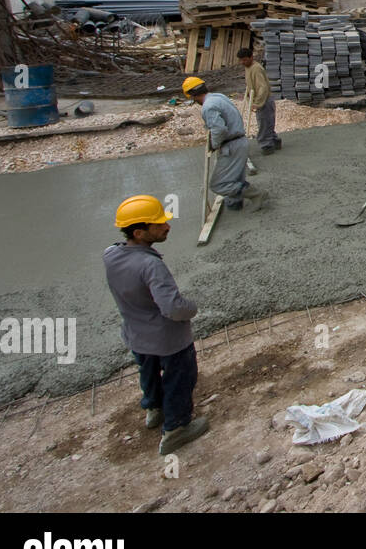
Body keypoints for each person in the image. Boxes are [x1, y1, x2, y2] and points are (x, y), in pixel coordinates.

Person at [104, 195, 209, 455]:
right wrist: (191, 308)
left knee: (148, 373)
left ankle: (154, 409)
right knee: (179, 379)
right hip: (168, 340)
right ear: (139, 232)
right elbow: (173, 308)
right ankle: (176, 428)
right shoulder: (151, 265)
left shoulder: (111, 255)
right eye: (159, 224)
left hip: (136, 335)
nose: (167, 227)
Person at [183, 77, 266, 212]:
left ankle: (256, 194)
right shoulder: (219, 97)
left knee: (218, 185)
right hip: (239, 141)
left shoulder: (208, 107)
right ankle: (235, 202)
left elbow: (219, 129)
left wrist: (214, 144)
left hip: (231, 146)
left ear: (192, 96)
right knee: (235, 177)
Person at [238, 47, 280, 154]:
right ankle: (274, 141)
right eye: (241, 60)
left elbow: (263, 87)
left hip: (264, 100)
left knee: (264, 123)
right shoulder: (248, 67)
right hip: (259, 98)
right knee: (267, 122)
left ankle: (266, 145)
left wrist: (257, 103)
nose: (242, 62)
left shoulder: (256, 69)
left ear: (251, 57)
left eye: (245, 60)